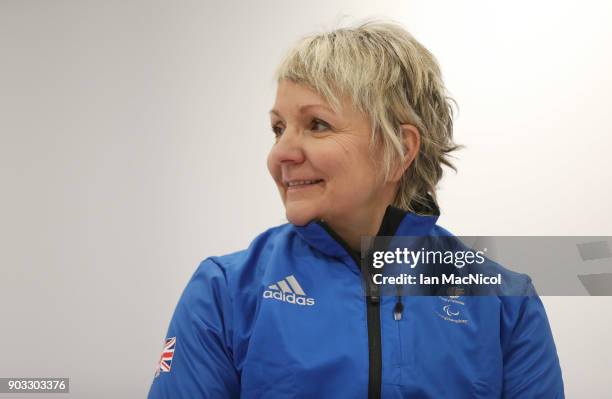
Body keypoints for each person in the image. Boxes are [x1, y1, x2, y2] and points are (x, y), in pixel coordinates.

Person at [147, 19, 564, 398]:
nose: (281, 154)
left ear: (400, 149)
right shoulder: (225, 292)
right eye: (278, 129)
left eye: (317, 125)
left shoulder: (505, 303)